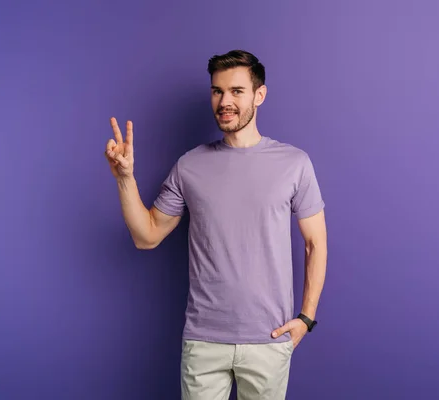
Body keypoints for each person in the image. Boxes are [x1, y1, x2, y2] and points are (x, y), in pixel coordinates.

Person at [104, 49, 327, 400]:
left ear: (259, 94)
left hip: (269, 341)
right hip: (203, 342)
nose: (225, 101)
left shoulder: (294, 163)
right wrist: (125, 178)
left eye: (236, 91)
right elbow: (146, 236)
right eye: (217, 91)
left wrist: (306, 318)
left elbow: (315, 244)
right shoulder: (189, 165)